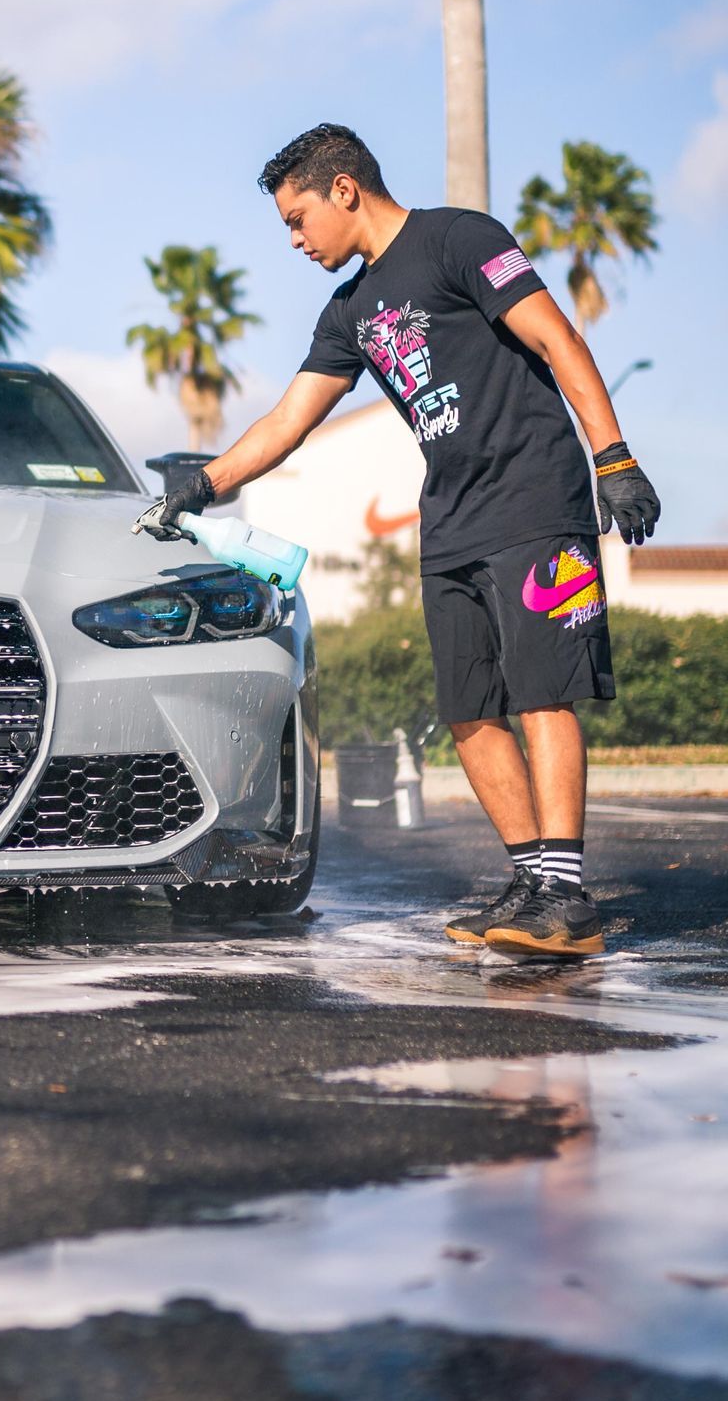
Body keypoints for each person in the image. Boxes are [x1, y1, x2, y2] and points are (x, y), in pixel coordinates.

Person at [146, 125, 660, 956]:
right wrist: (204, 483)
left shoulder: (461, 239)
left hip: (533, 496)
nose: (295, 240)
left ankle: (566, 895)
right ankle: (532, 880)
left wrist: (615, 459)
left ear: (343, 189)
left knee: (540, 693)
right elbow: (288, 420)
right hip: (452, 515)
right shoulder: (348, 311)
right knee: (468, 710)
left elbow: (556, 338)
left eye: (297, 218)